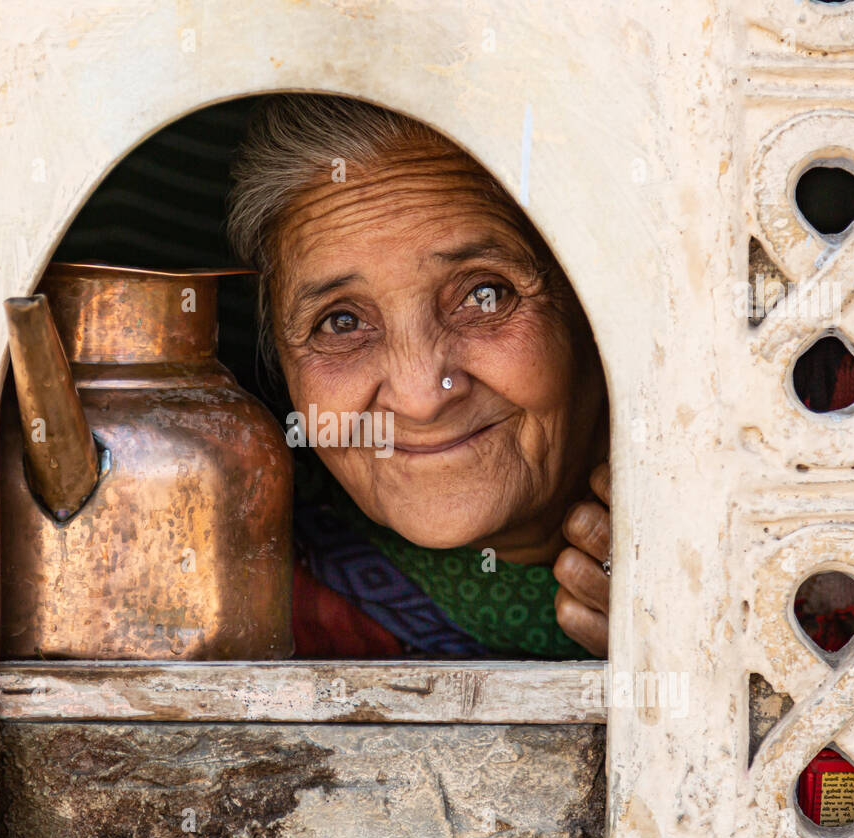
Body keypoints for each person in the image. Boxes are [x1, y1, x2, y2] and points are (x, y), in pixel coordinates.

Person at [227, 95, 611, 658]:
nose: (421, 397)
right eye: (341, 322)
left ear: (591, 307)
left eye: (486, 295)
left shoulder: (773, 515)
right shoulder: (249, 607)